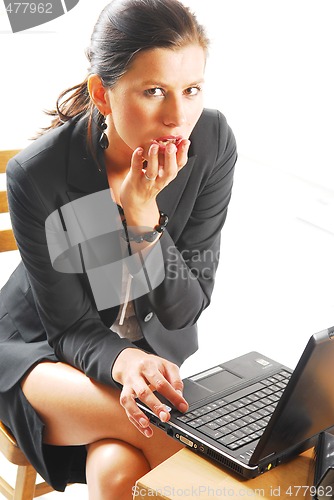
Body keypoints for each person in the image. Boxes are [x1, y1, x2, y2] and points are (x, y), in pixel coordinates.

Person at [0, 0, 237, 498]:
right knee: (195, 449)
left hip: (146, 352)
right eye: (154, 91)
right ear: (102, 95)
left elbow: (184, 310)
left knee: (117, 472)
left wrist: (144, 220)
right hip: (40, 353)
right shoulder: (39, 175)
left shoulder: (211, 142)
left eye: (191, 90)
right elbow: (69, 326)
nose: (178, 116)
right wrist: (125, 362)